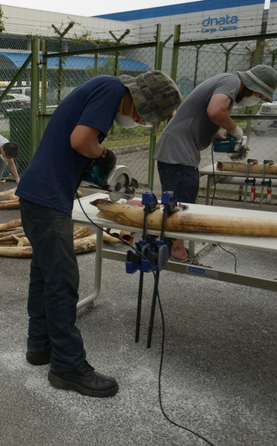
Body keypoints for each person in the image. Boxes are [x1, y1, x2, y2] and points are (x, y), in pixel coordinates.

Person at [15, 70, 182, 397]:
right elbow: (81, 141)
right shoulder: (111, 88)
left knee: (45, 274)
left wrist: (96, 160)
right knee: (62, 279)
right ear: (141, 102)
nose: (141, 120)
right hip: (47, 197)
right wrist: (104, 155)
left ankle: (39, 347)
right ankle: (67, 366)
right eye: (146, 116)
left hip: (40, 194)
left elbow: (75, 145)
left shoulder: (102, 87)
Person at [155, 64, 277, 262]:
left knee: (180, 199)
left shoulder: (226, 83)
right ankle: (177, 251)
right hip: (178, 151)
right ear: (251, 85)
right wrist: (236, 131)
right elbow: (215, 111)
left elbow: (204, 118)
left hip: (178, 149)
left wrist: (221, 138)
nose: (259, 99)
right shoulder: (231, 81)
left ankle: (170, 245)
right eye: (260, 95)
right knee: (181, 202)